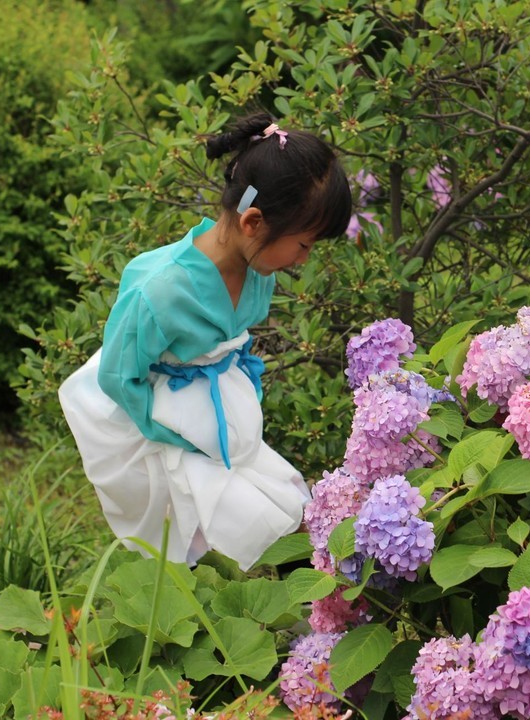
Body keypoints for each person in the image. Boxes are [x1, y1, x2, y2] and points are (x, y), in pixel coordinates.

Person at [59, 113, 353, 569]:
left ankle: (292, 615)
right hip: (163, 423)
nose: (304, 258)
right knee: (225, 527)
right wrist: (169, 435)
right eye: (303, 245)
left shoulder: (257, 274)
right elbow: (119, 375)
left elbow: (236, 347)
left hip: (218, 414)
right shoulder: (161, 289)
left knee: (288, 502)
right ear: (253, 221)